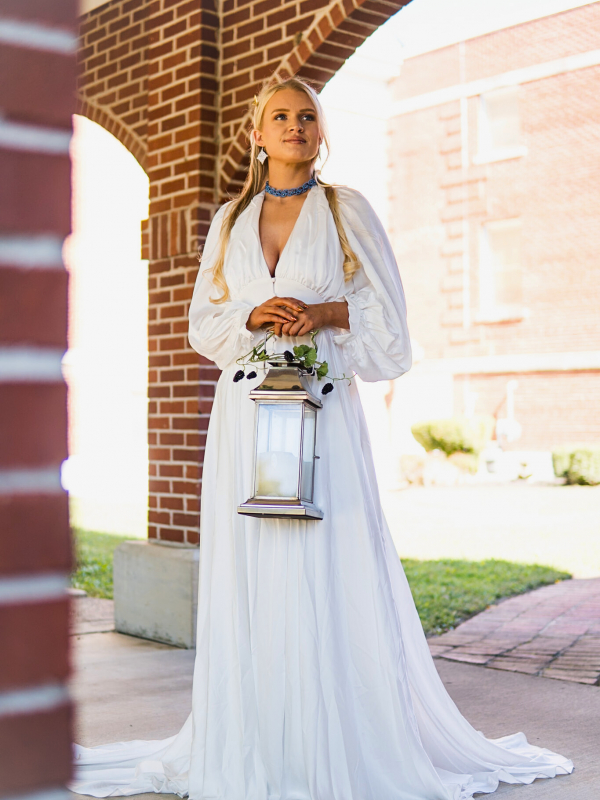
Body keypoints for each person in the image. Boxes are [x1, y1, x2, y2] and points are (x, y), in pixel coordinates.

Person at [70, 76, 573, 799]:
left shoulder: (346, 211)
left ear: (320, 131)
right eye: (281, 116)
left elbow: (392, 334)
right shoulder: (229, 221)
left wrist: (329, 311)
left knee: (321, 558)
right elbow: (200, 326)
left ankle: (332, 739)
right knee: (254, 562)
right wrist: (251, 315)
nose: (296, 126)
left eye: (307, 116)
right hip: (244, 419)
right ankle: (255, 738)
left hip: (321, 414)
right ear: (256, 133)